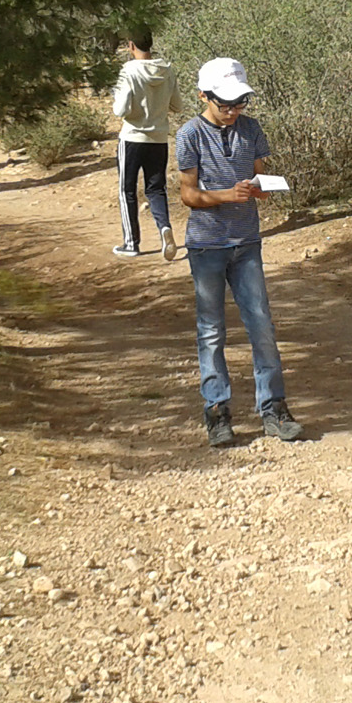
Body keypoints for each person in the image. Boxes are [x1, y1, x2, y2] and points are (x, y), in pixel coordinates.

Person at [174, 57, 304, 447]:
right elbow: (188, 194)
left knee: (261, 324)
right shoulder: (189, 135)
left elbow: (258, 176)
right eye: (224, 104)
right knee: (211, 331)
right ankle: (217, 411)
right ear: (203, 96)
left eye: (239, 103)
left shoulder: (251, 129)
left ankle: (274, 408)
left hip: (247, 242)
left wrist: (260, 189)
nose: (233, 112)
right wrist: (225, 196)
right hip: (207, 244)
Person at [111, 30, 175, 259]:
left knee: (127, 190)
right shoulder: (167, 69)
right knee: (156, 189)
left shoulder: (128, 70)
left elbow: (120, 110)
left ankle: (131, 243)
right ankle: (164, 228)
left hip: (132, 138)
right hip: (159, 138)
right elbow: (177, 104)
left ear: (130, 45)